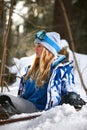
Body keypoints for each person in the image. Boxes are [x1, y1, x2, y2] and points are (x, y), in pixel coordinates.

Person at [0, 30, 86, 118]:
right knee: (3, 99)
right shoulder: (31, 70)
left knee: (4, 98)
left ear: (48, 49)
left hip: (41, 110)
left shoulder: (61, 69)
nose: (35, 48)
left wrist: (73, 98)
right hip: (27, 107)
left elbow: (70, 91)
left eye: (39, 46)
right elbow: (22, 96)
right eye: (36, 46)